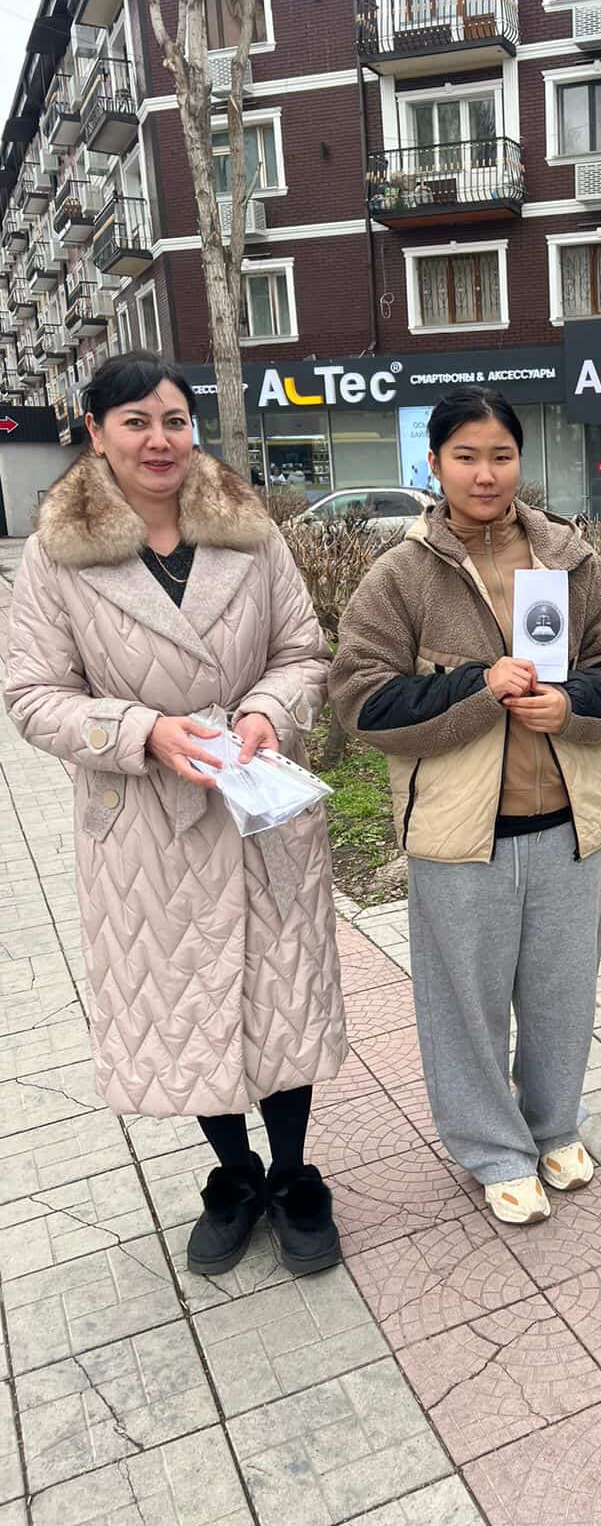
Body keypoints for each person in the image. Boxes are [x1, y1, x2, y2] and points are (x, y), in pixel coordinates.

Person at [4, 353, 347, 1276]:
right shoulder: (57, 553)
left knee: (281, 996)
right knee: (183, 1002)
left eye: (173, 421)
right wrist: (142, 731)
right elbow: (32, 696)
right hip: (145, 826)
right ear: (95, 431)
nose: (159, 441)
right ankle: (235, 1176)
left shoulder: (249, 532)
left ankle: (295, 1175)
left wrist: (269, 710)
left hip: (258, 804)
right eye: (135, 422)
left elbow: (302, 650)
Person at [330, 388, 601, 1226]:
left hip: (568, 826)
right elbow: (361, 701)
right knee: (464, 1005)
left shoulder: (570, 558)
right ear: (434, 463)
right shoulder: (401, 575)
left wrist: (569, 704)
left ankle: (552, 1126)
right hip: (459, 835)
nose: (485, 473)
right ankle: (494, 1150)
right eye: (465, 456)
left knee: (561, 996)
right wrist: (478, 687)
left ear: (519, 461)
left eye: (500, 455)